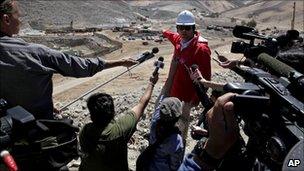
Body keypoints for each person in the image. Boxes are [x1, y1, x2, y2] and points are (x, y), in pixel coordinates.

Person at [0, 0, 138, 119]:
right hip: (34, 128)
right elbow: (80, 66)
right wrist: (121, 62)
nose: (21, 20)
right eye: (18, 15)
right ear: (6, 19)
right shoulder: (33, 53)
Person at [79, 72, 158, 171]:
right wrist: (152, 83)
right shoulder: (121, 129)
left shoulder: (85, 131)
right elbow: (142, 104)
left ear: (91, 115)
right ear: (112, 112)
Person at [158, 10, 211, 140]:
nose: (183, 31)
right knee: (169, 119)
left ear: (193, 28)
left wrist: (194, 100)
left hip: (188, 96)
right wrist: (163, 32)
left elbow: (206, 78)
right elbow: (171, 35)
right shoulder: (178, 40)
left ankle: (180, 146)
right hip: (175, 89)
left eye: (187, 28)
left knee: (182, 124)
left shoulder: (201, 49)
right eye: (180, 28)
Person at [178, 93, 239, 171]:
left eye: (212, 96)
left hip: (206, 150)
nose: (210, 97)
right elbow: (202, 95)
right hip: (204, 146)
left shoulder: (221, 117)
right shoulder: (209, 108)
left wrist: (205, 134)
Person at [138, 97, 184, 171]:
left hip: (148, 165)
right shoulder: (176, 140)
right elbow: (175, 165)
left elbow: (159, 106)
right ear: (177, 118)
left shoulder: (154, 121)